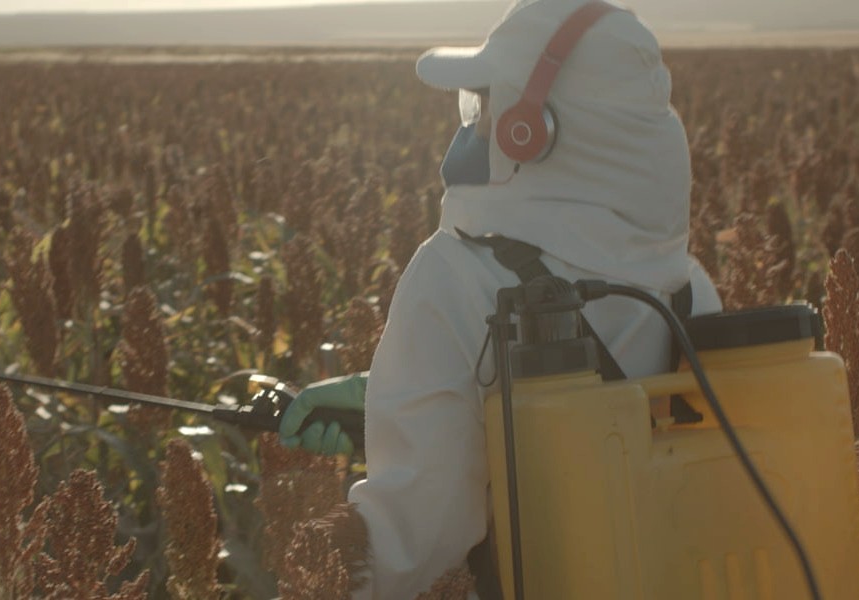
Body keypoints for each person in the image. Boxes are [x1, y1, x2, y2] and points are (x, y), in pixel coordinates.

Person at [279, 0, 723, 597]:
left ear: (532, 131)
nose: (475, 124)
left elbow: (415, 548)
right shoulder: (688, 285)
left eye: (485, 104)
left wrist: (318, 564)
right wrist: (390, 400)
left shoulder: (455, 276)